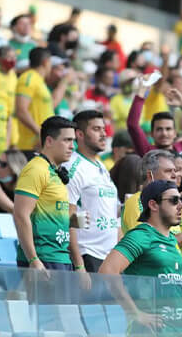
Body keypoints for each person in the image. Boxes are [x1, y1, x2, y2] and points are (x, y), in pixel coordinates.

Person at [99, 180, 182, 336]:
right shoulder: (141, 235)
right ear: (153, 205)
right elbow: (107, 270)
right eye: (174, 200)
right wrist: (134, 313)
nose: (181, 206)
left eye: (181, 200)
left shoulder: (170, 240)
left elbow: (176, 297)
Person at [14, 116, 81, 271]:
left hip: (60, 256)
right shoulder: (36, 169)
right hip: (43, 259)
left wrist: (73, 221)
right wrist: (33, 259)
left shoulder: (54, 172)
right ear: (49, 141)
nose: (73, 146)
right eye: (67, 140)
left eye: (74, 141)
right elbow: (20, 215)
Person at [64, 110, 119, 273]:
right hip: (88, 255)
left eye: (104, 129)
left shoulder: (100, 164)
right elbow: (68, 218)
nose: (103, 134)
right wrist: (79, 264)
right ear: (79, 134)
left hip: (110, 256)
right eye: (96, 129)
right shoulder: (72, 167)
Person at [15, 47, 54, 152]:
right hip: (30, 146)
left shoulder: (39, 80)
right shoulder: (28, 78)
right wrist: (41, 133)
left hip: (42, 144)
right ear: (46, 62)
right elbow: (21, 110)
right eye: (51, 62)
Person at [127, 81, 178, 156]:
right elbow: (132, 124)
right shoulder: (147, 152)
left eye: (168, 129)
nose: (164, 133)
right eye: (159, 129)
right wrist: (141, 93)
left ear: (175, 133)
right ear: (152, 134)